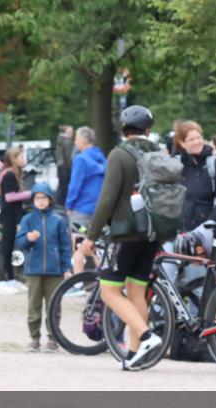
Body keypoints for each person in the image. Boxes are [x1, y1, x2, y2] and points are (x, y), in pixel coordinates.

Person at [81, 105, 165, 370]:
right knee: (137, 291)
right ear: (148, 129)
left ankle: (147, 336)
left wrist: (91, 235)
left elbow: (107, 198)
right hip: (153, 233)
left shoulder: (119, 154)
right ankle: (134, 353)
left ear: (123, 128)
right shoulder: (157, 153)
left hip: (126, 232)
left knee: (109, 291)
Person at [15, 183, 72, 352]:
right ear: (33, 200)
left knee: (54, 306)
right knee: (34, 306)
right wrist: (28, 239)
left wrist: (66, 267)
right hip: (33, 270)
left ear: (50, 199)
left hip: (55, 272)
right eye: (37, 198)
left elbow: (65, 246)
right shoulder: (27, 220)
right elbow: (19, 242)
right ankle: (34, 338)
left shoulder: (59, 221)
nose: (40, 201)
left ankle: (53, 339)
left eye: (44, 197)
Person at [175, 121, 216, 228]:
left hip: (205, 231)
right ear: (182, 143)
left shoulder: (214, 165)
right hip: (178, 231)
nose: (197, 142)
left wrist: (207, 226)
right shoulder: (174, 166)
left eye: (198, 137)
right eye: (191, 139)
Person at [65, 126, 106, 275]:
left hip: (81, 210)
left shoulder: (81, 159)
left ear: (83, 140)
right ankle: (105, 283)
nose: (75, 142)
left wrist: (69, 205)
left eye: (76, 139)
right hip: (100, 210)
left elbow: (75, 186)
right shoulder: (103, 159)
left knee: (79, 245)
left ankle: (78, 283)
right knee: (98, 248)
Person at [0, 146, 30, 296]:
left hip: (13, 215)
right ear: (14, 159)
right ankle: (1, 281)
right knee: (6, 249)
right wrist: (29, 194)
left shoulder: (14, 174)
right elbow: (9, 197)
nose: (24, 159)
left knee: (10, 248)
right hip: (8, 215)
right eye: (21, 157)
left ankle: (11, 279)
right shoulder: (9, 175)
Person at [54, 125, 75, 207]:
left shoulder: (59, 141)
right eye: (70, 132)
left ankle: (58, 204)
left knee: (61, 187)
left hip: (60, 167)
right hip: (66, 168)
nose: (72, 134)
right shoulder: (68, 142)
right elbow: (70, 157)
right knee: (65, 187)